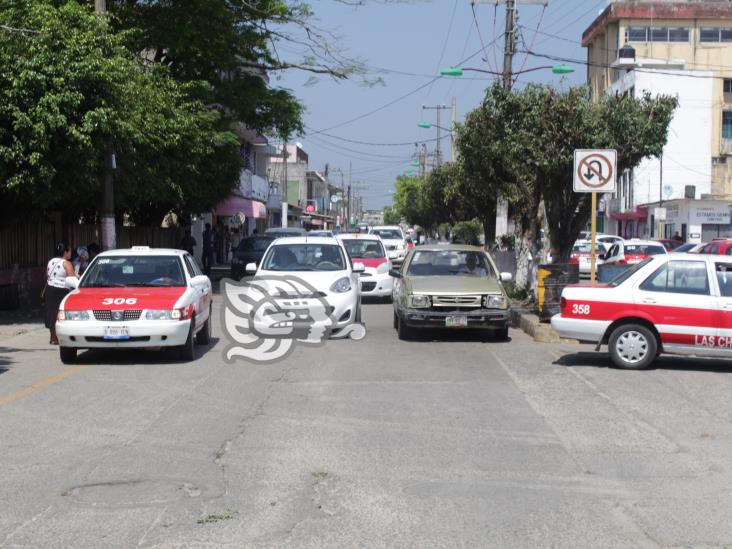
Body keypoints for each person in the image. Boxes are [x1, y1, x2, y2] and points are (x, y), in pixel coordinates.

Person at [45, 243, 78, 345]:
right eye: (70, 251)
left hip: (50, 289)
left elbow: (47, 275)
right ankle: (58, 337)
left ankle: (53, 337)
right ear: (65, 252)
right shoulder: (66, 263)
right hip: (61, 291)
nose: (70, 254)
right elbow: (72, 279)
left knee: (51, 313)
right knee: (59, 313)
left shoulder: (51, 261)